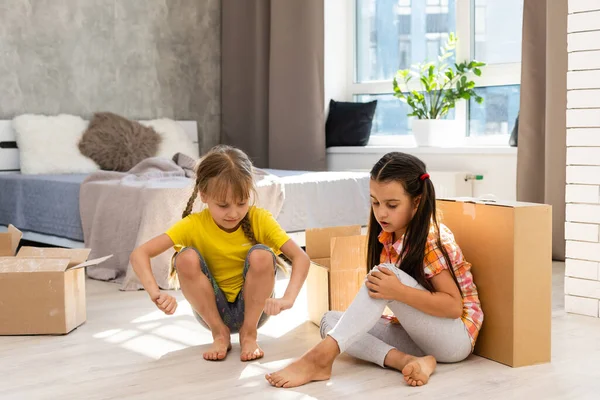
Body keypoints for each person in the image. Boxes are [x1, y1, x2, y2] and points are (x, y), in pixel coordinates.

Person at [266, 151, 483, 388]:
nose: (381, 213)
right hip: (420, 338)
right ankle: (409, 361)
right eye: (375, 202)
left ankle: (319, 358)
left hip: (454, 339)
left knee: (385, 276)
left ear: (417, 202)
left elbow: (453, 307)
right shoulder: (388, 238)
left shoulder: (430, 239)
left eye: (391, 205)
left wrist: (397, 291)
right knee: (330, 320)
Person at [130, 145, 310, 362]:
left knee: (262, 255)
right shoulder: (193, 225)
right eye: (223, 205)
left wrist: (288, 299)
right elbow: (140, 253)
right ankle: (220, 333)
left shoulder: (260, 219)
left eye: (241, 203)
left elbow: (301, 257)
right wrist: (155, 293)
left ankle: (249, 334)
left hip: (255, 310)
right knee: (185, 258)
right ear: (204, 195)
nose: (233, 213)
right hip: (211, 312)